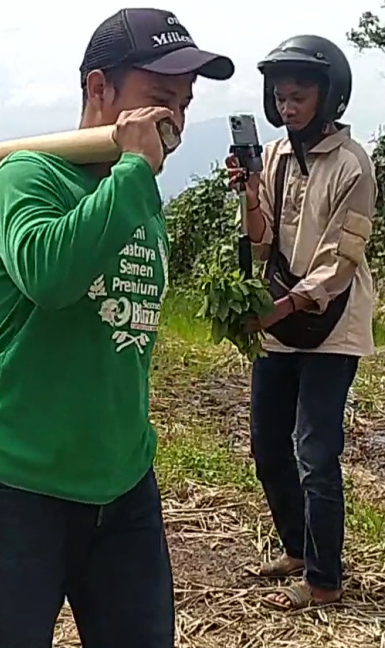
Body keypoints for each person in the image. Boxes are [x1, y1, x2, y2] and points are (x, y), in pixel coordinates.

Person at [0, 9, 234, 647]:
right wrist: (134, 172)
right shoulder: (26, 176)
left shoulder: (133, 186)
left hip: (122, 478)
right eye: (159, 101)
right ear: (98, 89)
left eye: (184, 106)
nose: (176, 122)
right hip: (18, 482)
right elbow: (50, 278)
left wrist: (131, 176)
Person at [226, 35, 376, 611]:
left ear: (328, 94)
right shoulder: (273, 156)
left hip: (331, 326)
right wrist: (250, 197)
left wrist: (283, 307)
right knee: (268, 443)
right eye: (281, 97)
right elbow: (262, 247)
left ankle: (324, 579)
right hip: (280, 319)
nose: (288, 107)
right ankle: (295, 547)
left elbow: (343, 262)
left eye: (299, 96)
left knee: (315, 448)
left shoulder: (353, 164)